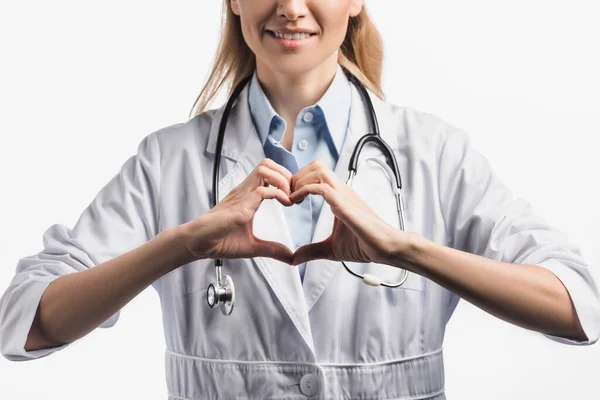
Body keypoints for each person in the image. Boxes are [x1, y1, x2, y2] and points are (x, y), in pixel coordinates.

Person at [1, 1, 599, 399]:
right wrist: (182, 244)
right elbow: (26, 323)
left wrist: (404, 249)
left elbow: (578, 307)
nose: (290, 6)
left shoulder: (434, 153)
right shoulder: (168, 162)